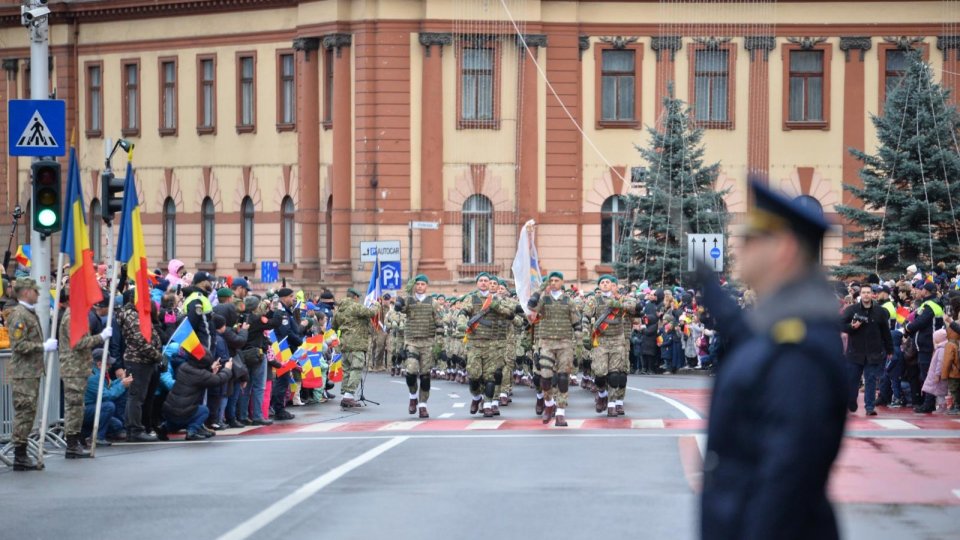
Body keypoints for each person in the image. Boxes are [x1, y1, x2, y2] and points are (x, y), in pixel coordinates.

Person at [699, 181, 846, 540]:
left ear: (784, 249)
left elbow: (787, 473)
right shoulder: (785, 324)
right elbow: (756, 345)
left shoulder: (799, 350)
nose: (739, 248)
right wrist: (716, 298)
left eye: (751, 240)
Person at [8, 278, 58, 471]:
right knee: (24, 413)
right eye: (35, 291)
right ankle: (19, 455)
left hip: (31, 372)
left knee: (29, 413)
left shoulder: (28, 312)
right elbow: (18, 345)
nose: (38, 294)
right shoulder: (19, 315)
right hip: (24, 373)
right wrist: (42, 347)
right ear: (26, 292)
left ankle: (22, 452)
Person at [58, 290, 112, 458]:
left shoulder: (76, 315)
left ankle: (75, 441)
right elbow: (79, 342)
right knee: (74, 407)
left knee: (77, 407)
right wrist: (100, 337)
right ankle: (72, 444)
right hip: (73, 369)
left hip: (78, 368)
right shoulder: (71, 317)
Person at [461, 273, 521, 417]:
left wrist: (496, 306)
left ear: (491, 283)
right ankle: (476, 398)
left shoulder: (497, 299)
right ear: (477, 283)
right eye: (480, 280)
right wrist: (462, 323)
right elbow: (463, 312)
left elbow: (510, 313)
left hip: (494, 344)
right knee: (474, 375)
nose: (483, 283)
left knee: (491, 376)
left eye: (486, 281)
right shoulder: (472, 298)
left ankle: (488, 404)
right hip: (475, 343)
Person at [528, 271, 581, 427]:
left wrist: (579, 345)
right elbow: (531, 306)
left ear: (562, 282)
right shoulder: (544, 300)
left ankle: (560, 413)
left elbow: (577, 323)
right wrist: (541, 288)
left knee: (563, 378)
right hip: (546, 343)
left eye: (556, 280)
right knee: (545, 378)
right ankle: (549, 403)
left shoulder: (569, 301)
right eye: (550, 280)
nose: (553, 282)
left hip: (565, 343)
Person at [583, 275, 637, 416]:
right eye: (603, 282)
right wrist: (584, 335)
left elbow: (634, 306)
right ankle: (602, 394)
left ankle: (612, 404)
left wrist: (618, 304)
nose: (605, 284)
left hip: (618, 341)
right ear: (599, 286)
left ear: (613, 285)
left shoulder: (621, 299)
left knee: (615, 375)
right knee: (600, 374)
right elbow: (586, 317)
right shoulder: (594, 300)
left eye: (608, 282)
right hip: (600, 342)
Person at [117, 290, 163, 442]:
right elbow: (141, 341)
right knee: (136, 397)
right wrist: (158, 356)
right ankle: (135, 429)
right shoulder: (133, 316)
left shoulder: (135, 314)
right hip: (138, 361)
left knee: (137, 397)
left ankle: (134, 428)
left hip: (142, 361)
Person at [393, 275, 442, 418]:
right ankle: (412, 396)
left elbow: (439, 324)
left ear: (426, 286)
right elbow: (400, 309)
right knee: (411, 371)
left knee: (425, 376)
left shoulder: (433, 303)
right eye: (418, 284)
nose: (420, 286)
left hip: (427, 343)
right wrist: (404, 295)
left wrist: (439, 345)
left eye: (423, 284)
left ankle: (423, 405)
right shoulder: (409, 301)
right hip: (412, 342)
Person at [841, 284, 893, 416]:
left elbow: (886, 332)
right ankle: (851, 401)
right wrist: (851, 327)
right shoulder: (851, 310)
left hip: (873, 352)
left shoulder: (880, 311)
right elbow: (839, 324)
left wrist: (890, 349)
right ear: (860, 295)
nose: (866, 295)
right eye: (863, 292)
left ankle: (870, 407)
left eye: (868, 292)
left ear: (872, 295)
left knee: (870, 379)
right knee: (853, 379)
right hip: (855, 352)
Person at [158, 354, 234, 441]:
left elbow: (198, 378)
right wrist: (227, 369)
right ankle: (192, 431)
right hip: (184, 411)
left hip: (169, 409)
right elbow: (219, 379)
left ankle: (165, 427)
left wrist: (210, 370)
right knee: (203, 411)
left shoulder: (184, 367)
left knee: (178, 419)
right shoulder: (200, 374)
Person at [331, 288, 378, 408]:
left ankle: (345, 396)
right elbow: (371, 313)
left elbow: (333, 326)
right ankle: (349, 396)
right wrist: (376, 304)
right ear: (355, 297)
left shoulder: (339, 310)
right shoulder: (354, 306)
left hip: (345, 344)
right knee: (356, 369)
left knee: (347, 370)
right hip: (356, 344)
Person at [905, 281, 943, 411]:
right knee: (925, 374)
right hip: (926, 345)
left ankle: (928, 404)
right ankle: (925, 401)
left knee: (927, 375)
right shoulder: (932, 304)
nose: (919, 291)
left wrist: (908, 327)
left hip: (927, 345)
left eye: (921, 289)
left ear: (926, 291)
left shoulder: (930, 305)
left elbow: (920, 322)